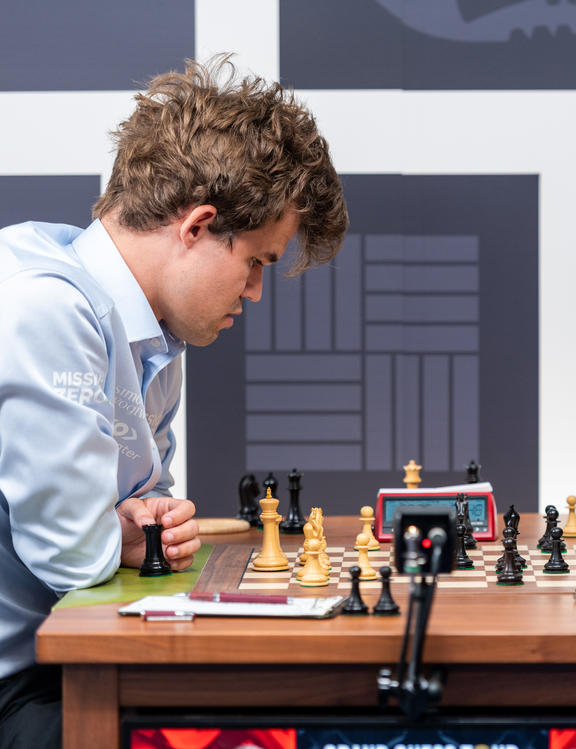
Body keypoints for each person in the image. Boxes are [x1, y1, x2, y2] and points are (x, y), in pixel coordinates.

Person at [0, 57, 348, 748]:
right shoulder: (46, 304)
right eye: (257, 261)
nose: (253, 293)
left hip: (67, 656)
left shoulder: (151, 335)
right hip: (20, 684)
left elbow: (148, 514)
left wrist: (142, 526)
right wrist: (123, 534)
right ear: (198, 225)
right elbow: (77, 554)